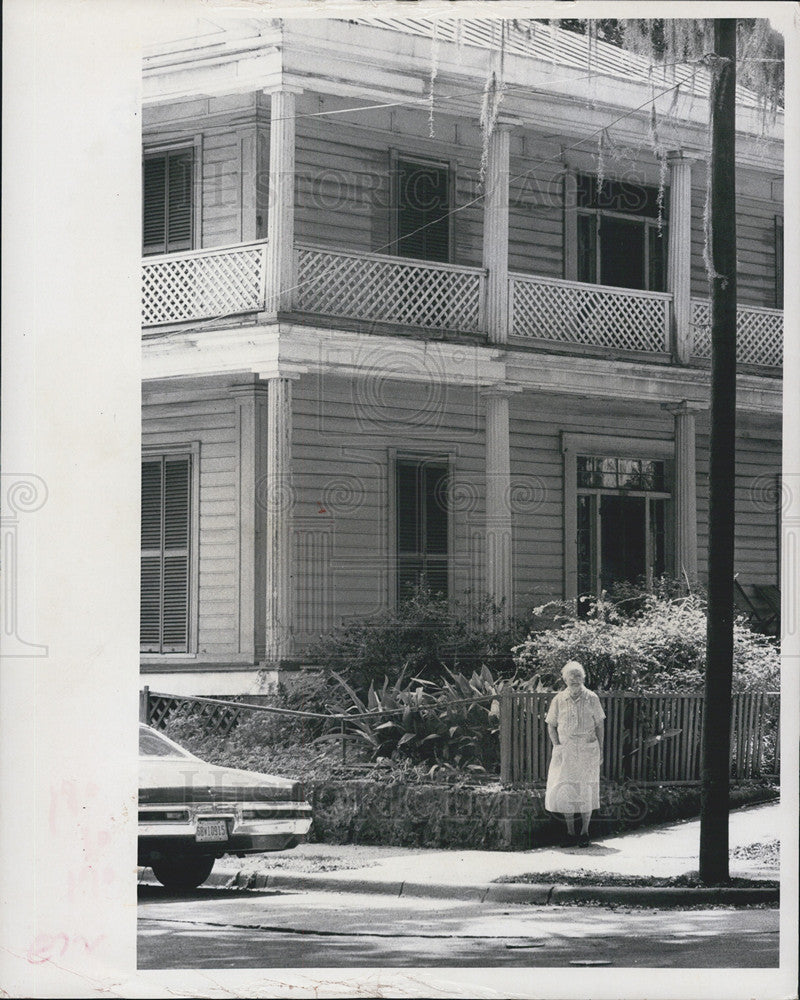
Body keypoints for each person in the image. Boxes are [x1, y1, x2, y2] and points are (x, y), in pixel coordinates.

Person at [544, 660, 605, 847]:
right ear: (565, 680)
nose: (575, 680)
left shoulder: (592, 698)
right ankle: (570, 833)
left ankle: (584, 832)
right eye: (571, 678)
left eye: (578, 676)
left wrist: (601, 749)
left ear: (583, 677)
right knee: (566, 791)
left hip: (588, 750)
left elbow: (599, 726)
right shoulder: (559, 699)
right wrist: (557, 746)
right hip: (566, 750)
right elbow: (551, 725)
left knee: (586, 790)